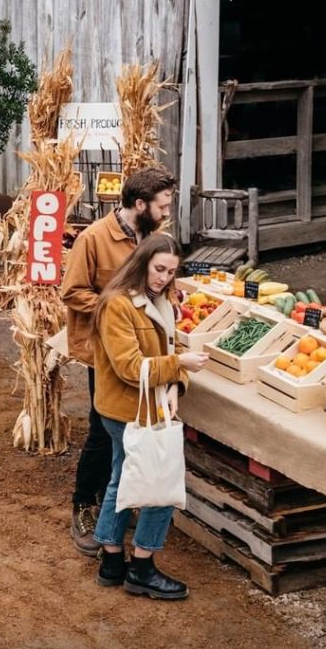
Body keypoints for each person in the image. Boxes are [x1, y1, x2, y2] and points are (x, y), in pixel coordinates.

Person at [61, 166, 177, 555]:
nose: (166, 213)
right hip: (106, 350)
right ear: (140, 204)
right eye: (161, 206)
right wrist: (122, 314)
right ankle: (83, 504)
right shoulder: (94, 238)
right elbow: (73, 292)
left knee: (131, 429)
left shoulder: (154, 238)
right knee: (101, 427)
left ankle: (120, 500)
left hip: (143, 349)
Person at [92, 232, 207, 598]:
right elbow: (129, 366)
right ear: (142, 262)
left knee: (121, 476)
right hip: (127, 409)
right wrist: (180, 365)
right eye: (159, 269)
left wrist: (177, 383)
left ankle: (111, 559)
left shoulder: (161, 298)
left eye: (171, 272)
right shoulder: (117, 305)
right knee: (161, 481)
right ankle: (141, 567)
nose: (164, 278)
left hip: (143, 404)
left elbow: (169, 347)